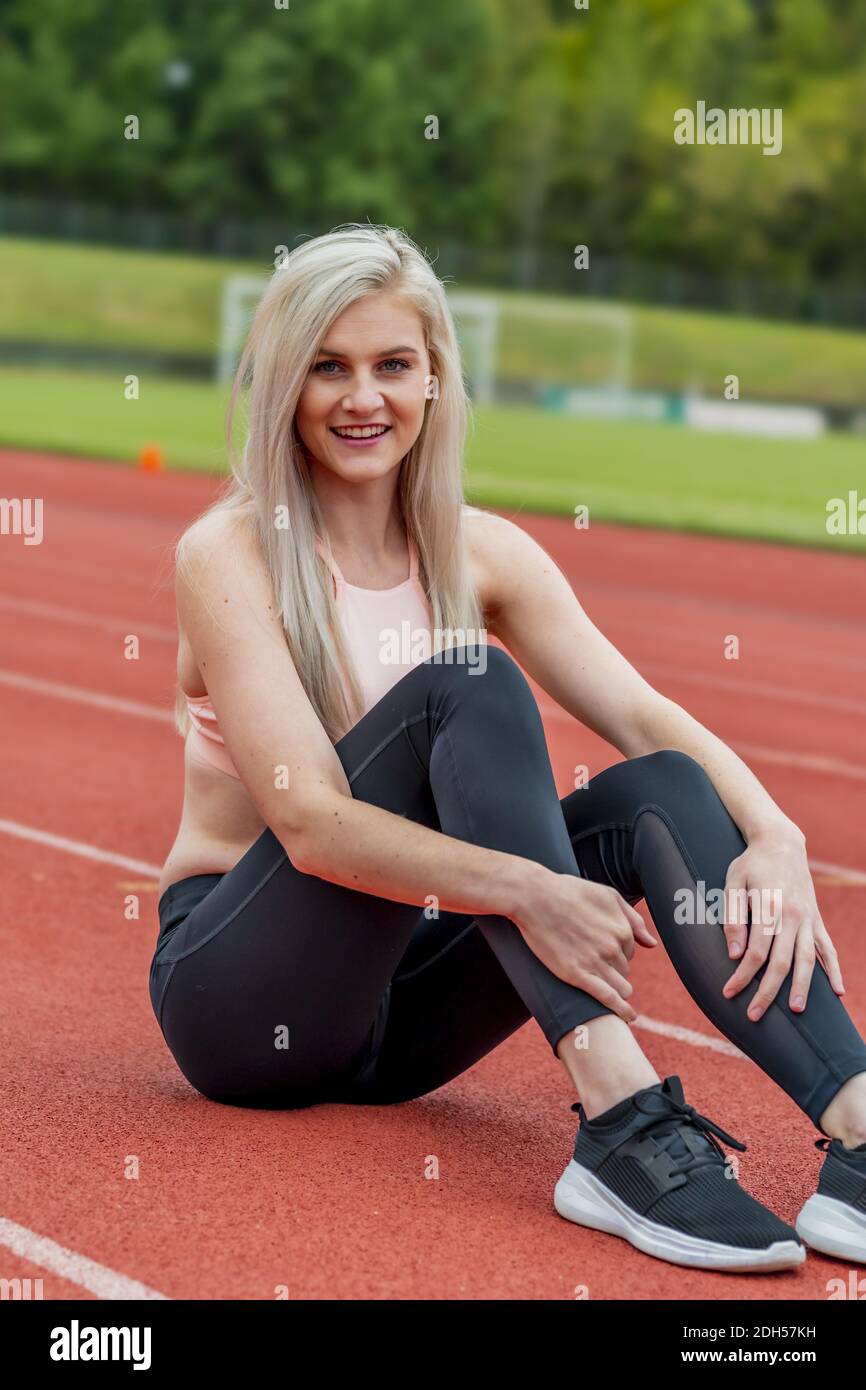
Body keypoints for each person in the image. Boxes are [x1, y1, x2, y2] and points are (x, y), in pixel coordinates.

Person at [150, 223, 866, 1273]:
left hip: (394, 1017)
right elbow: (308, 824)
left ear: (435, 378)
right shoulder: (227, 554)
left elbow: (643, 717)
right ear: (282, 385)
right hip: (242, 999)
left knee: (658, 790)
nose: (363, 398)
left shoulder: (484, 554)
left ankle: (854, 1119)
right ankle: (620, 1117)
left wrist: (775, 831)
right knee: (467, 681)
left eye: (393, 365)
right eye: (328, 367)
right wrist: (526, 891)